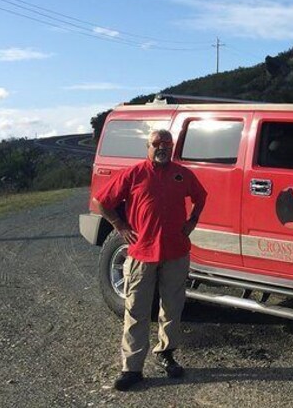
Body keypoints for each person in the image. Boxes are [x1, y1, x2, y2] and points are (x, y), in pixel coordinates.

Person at [93, 129, 206, 391]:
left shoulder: (182, 174)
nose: (162, 148)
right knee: (137, 311)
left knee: (172, 307)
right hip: (142, 253)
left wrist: (193, 221)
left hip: (176, 253)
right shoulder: (134, 174)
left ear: (172, 147)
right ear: (148, 147)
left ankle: (166, 353)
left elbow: (201, 196)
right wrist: (119, 225)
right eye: (157, 144)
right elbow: (102, 201)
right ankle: (131, 368)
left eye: (167, 144)